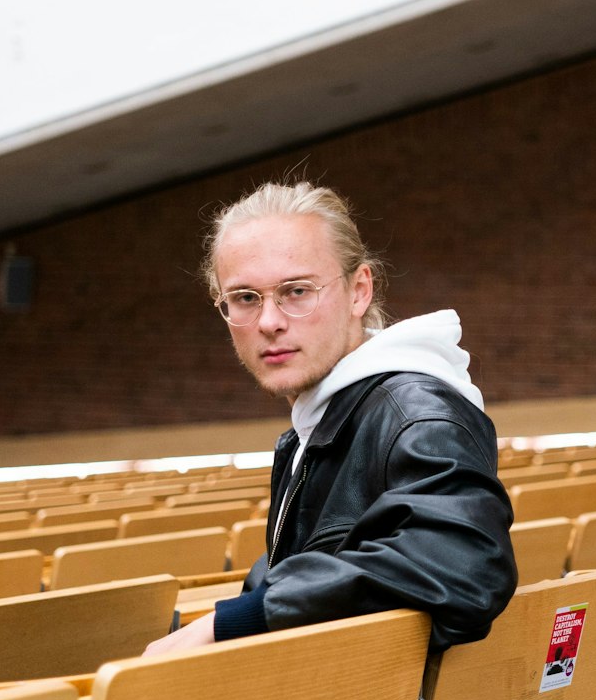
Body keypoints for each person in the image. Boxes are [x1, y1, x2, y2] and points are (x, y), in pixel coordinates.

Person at [142, 179, 516, 657]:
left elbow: (466, 567)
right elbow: (325, 558)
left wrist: (240, 619)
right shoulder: (325, 416)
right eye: (245, 298)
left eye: (296, 291)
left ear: (359, 291)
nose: (269, 321)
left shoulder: (416, 415)